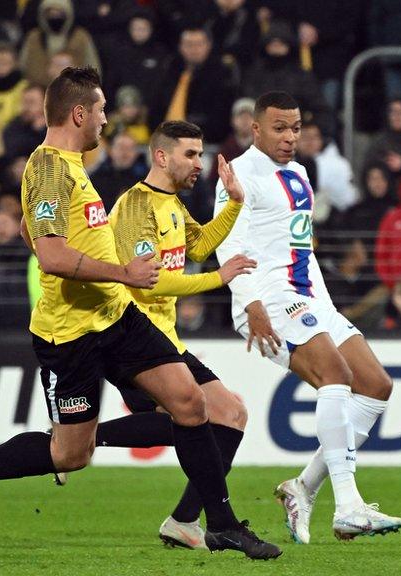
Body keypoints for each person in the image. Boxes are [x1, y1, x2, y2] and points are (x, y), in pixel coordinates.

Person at [0, 67, 280, 561]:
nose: (105, 120)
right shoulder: (49, 168)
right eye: (100, 110)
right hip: (69, 335)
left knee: (192, 404)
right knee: (72, 453)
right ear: (79, 113)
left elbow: (37, 237)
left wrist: (114, 277)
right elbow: (49, 256)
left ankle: (218, 524)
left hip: (116, 318)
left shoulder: (69, 168)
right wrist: (123, 273)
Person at [215, 91, 401, 544]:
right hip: (270, 297)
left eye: (296, 128)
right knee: (335, 377)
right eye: (279, 128)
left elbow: (300, 245)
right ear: (256, 128)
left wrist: (324, 303)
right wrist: (252, 304)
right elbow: (227, 243)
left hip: (312, 298)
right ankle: (348, 507)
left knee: (377, 386)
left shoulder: (299, 173)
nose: (289, 137)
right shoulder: (240, 174)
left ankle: (303, 486)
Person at [78, 120, 259, 551]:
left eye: (200, 154)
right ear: (162, 156)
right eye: (191, 154)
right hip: (134, 338)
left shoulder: (173, 205)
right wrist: (218, 279)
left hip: (166, 340)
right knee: (206, 418)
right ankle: (81, 441)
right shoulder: (137, 206)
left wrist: (233, 204)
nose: (199, 163)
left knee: (228, 415)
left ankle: (183, 520)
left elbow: (197, 247)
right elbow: (151, 283)